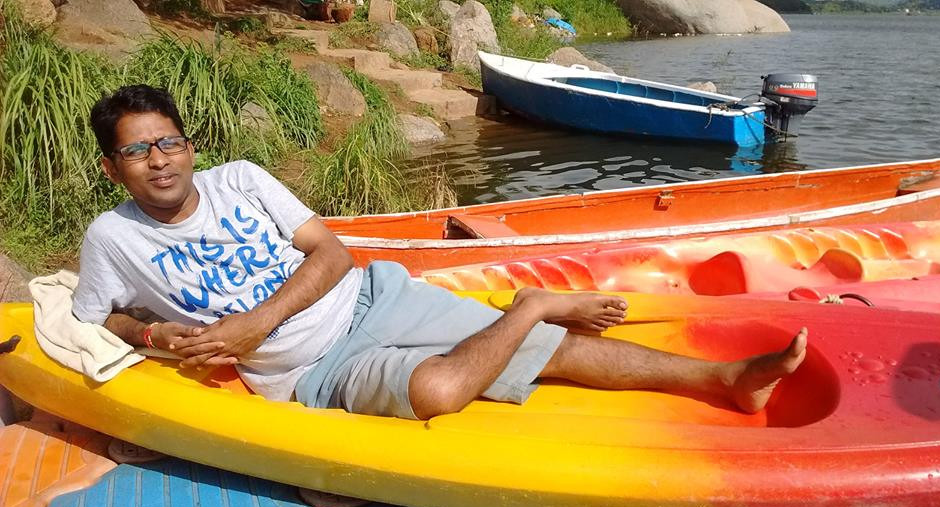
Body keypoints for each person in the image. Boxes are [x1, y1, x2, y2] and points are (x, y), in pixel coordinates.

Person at [73, 85, 808, 420]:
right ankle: (529, 308)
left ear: (189, 146)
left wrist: (254, 323)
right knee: (438, 393)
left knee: (554, 353)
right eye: (137, 151)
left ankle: (724, 379)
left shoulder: (240, 179)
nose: (159, 160)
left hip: (369, 297)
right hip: (311, 369)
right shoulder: (113, 237)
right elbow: (97, 316)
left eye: (169, 142)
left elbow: (332, 255)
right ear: (112, 168)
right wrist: (151, 334)